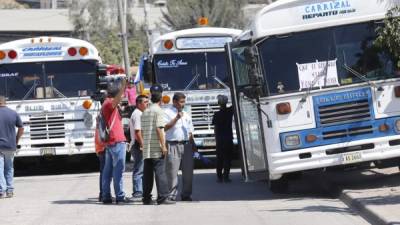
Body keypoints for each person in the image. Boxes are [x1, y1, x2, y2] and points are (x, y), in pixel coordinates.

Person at [141, 84, 174, 205]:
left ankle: (146, 198)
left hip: (147, 148)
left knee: (148, 175)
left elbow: (143, 131)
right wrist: (163, 146)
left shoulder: (145, 111)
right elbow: (159, 129)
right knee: (160, 173)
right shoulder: (158, 111)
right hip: (156, 149)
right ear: (160, 99)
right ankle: (163, 197)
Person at [101, 78, 130, 204]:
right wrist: (123, 86)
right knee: (118, 170)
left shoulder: (108, 103)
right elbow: (117, 100)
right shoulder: (108, 103)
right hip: (116, 141)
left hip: (111, 142)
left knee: (107, 172)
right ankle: (120, 196)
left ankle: (106, 196)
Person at [164, 92, 196, 201]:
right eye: (181, 102)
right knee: (172, 172)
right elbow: (165, 127)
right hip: (173, 144)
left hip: (187, 145)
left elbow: (190, 131)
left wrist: (194, 145)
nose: (183, 104)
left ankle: (186, 194)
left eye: (184, 102)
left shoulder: (186, 114)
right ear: (174, 102)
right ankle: (171, 195)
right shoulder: (167, 112)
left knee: (188, 172)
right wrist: (176, 118)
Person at [0, 96, 24, 198]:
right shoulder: (13, 113)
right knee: (9, 168)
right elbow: (21, 128)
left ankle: (1, 190)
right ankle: (10, 190)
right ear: (5, 102)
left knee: (0, 169)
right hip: (10, 146)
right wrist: (16, 140)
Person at [129, 94, 149, 199]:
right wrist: (142, 144)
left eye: (147, 102)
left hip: (139, 144)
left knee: (142, 168)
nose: (147, 104)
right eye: (145, 102)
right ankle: (137, 192)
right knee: (139, 169)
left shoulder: (140, 113)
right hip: (138, 145)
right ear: (138, 104)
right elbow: (138, 131)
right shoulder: (138, 114)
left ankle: (140, 191)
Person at [212, 95, 234, 183]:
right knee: (228, 158)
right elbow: (234, 105)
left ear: (218, 103)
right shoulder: (229, 111)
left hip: (220, 139)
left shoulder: (216, 114)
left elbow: (215, 128)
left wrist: (216, 139)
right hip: (228, 138)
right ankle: (226, 176)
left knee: (220, 159)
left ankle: (219, 177)